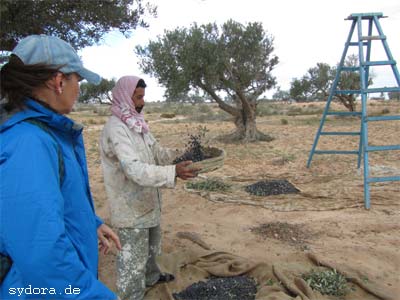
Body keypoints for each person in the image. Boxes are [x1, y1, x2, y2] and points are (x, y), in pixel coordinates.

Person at [0, 34, 121, 299]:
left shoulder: (47, 132)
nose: (78, 88)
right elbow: (43, 257)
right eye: (77, 79)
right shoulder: (29, 143)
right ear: (58, 81)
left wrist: (90, 222)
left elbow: (52, 202)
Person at [100, 75, 199, 300]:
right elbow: (134, 169)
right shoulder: (117, 128)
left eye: (143, 97)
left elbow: (156, 152)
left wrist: (180, 157)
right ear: (125, 96)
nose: (142, 102)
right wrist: (173, 172)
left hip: (147, 201)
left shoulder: (137, 123)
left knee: (152, 248)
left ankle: (152, 278)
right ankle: (131, 295)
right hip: (129, 206)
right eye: (138, 97)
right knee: (133, 260)